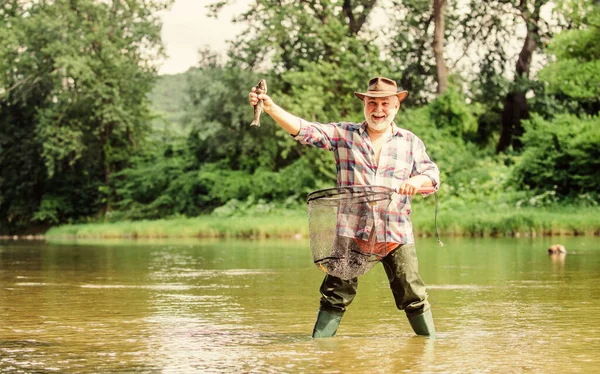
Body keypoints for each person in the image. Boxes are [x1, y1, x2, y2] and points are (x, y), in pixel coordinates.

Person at [249, 76, 440, 338]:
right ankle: (320, 348)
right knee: (335, 295)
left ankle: (429, 347)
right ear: (364, 105)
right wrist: (270, 108)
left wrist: (416, 182)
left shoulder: (410, 142)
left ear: (396, 107)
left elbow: (432, 175)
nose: (378, 110)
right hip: (352, 233)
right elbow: (306, 130)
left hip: (395, 233)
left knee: (413, 294)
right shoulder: (345, 134)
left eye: (385, 104)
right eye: (372, 103)